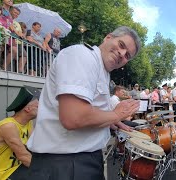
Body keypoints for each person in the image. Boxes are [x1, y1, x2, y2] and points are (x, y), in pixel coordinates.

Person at [26, 26, 141, 180]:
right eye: (121, 45)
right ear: (108, 37)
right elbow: (74, 117)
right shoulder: (82, 55)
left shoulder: (101, 70)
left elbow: (88, 111)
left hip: (77, 162)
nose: (122, 54)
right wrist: (116, 114)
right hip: (66, 165)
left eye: (127, 55)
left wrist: (110, 121)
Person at [0, 86, 40, 180]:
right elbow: (24, 156)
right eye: (38, 106)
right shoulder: (8, 126)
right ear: (28, 109)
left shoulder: (28, 123)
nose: (42, 109)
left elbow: (33, 148)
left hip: (12, 170)